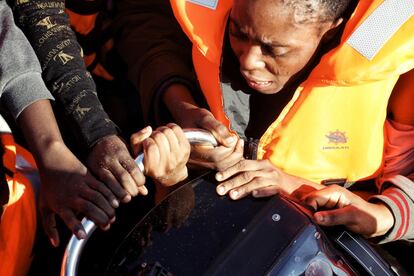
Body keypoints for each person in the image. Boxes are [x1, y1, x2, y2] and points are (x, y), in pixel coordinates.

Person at [113, 0, 414, 243]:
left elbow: (401, 189)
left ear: (333, 30)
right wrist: (182, 110)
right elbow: (147, 18)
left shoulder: (388, 38)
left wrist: (388, 214)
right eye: (237, 32)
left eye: (274, 49)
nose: (248, 61)